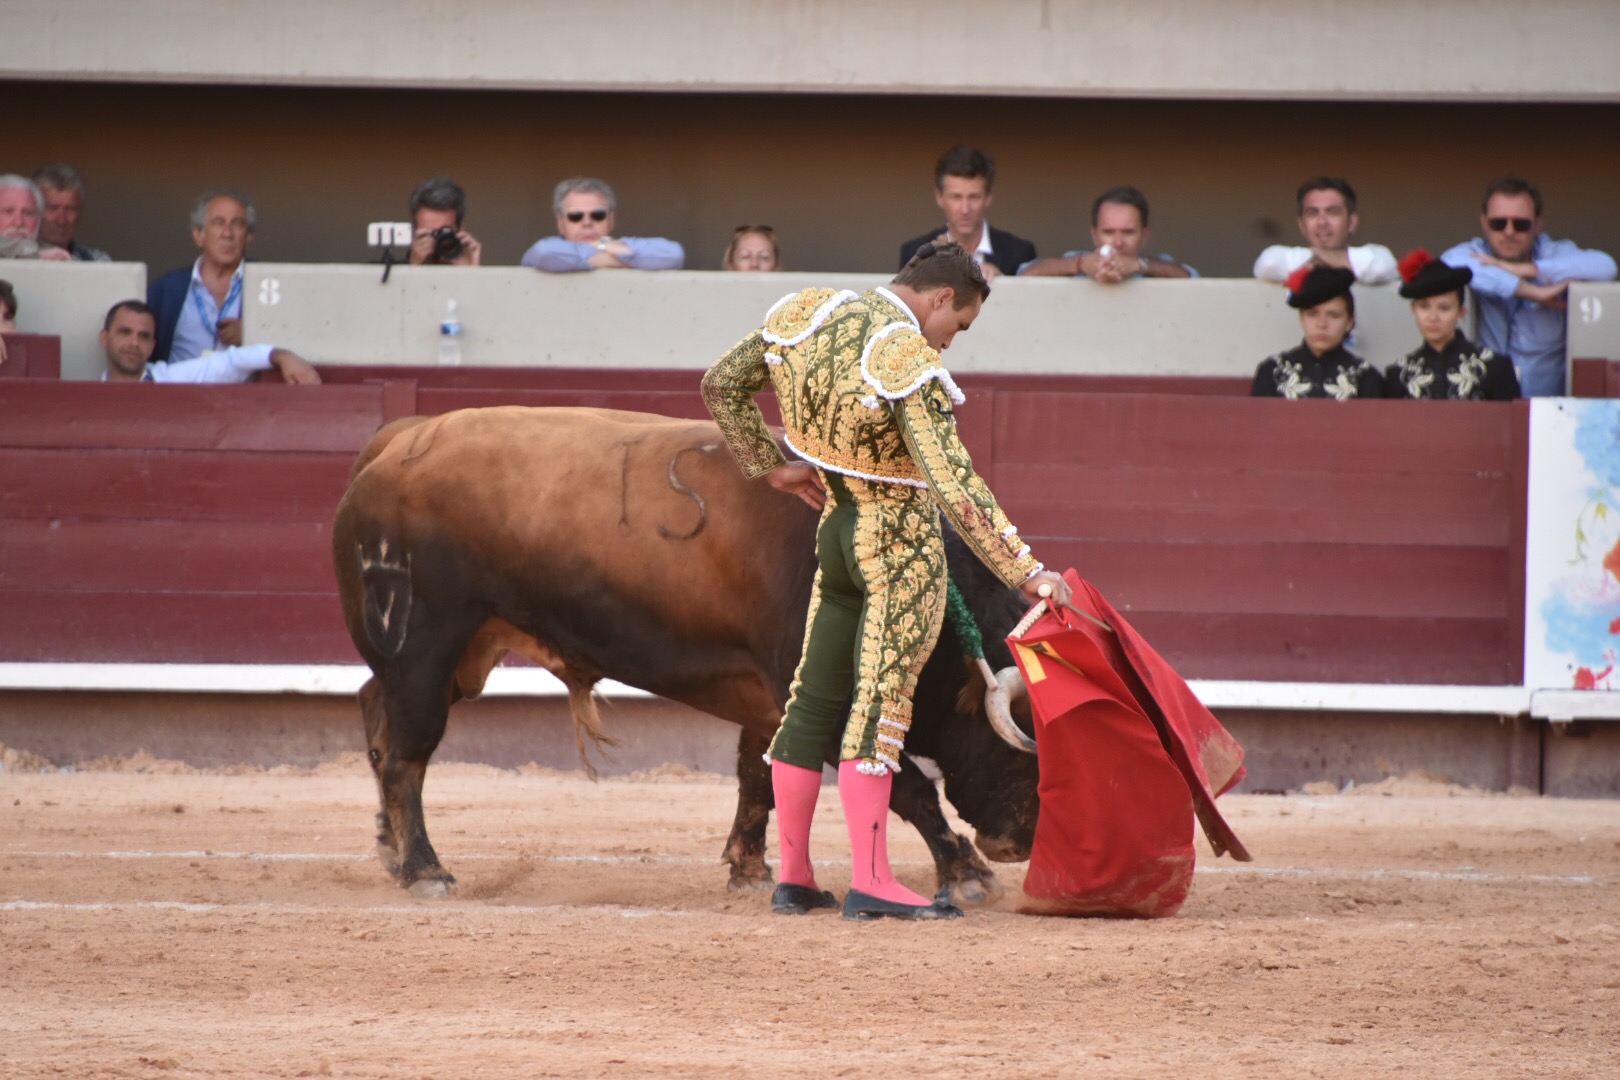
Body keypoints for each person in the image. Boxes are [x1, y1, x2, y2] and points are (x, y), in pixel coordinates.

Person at [702, 242, 1072, 922]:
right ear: (938, 299)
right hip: (896, 541)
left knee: (810, 702)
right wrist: (1026, 571)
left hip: (836, 532)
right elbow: (954, 483)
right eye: (956, 326)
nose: (950, 342)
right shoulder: (905, 357)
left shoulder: (810, 313)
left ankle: (796, 876)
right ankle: (873, 880)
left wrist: (771, 464)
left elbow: (721, 383)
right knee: (880, 707)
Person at [1441, 177, 1617, 397]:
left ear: (1537, 225)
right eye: (1498, 223)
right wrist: (1532, 291)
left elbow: (1606, 266)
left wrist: (1529, 270)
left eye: (1521, 224)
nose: (1509, 232)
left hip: (1550, 410)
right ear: (1484, 223)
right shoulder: (1476, 253)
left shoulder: (1552, 253)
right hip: (1489, 407)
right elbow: (1449, 263)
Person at [145, 190, 318, 380]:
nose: (227, 234)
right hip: (179, 398)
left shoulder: (271, 284)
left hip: (247, 401)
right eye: (218, 223)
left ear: (249, 237)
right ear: (198, 235)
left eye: (237, 224)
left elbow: (304, 338)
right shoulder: (167, 289)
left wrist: (254, 333)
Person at [1384, 250, 1518, 401]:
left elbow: (1510, 422)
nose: (1433, 317)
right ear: (1413, 309)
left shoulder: (1495, 367)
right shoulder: (1398, 374)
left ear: (1461, 312)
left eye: (1444, 307)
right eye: (1424, 306)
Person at [897, 145, 1036, 280]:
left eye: (974, 197)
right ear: (940, 198)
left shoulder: (1019, 252)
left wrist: (1002, 281)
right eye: (956, 197)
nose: (965, 209)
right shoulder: (915, 253)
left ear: (988, 197)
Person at [99, 299, 318, 384]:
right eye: (125, 332)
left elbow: (230, 362)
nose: (134, 343)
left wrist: (280, 355)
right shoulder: (87, 397)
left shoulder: (169, 379)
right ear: (104, 338)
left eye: (144, 336)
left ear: (152, 347)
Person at [1251, 265, 1382, 399]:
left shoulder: (1366, 376)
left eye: (1334, 315)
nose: (1321, 324)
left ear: (1349, 322)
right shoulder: (1272, 371)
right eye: (1312, 314)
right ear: (1301, 318)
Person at [1018, 186, 1194, 281]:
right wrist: (1080, 264)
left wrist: (1140, 265)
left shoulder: (1156, 266)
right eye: (1108, 232)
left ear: (1145, 236)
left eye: (1128, 232)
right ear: (1094, 235)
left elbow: (1191, 278)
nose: (1118, 242)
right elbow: (1024, 274)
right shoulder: (1078, 261)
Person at [520, 178, 684, 273]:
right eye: (575, 216)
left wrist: (603, 245)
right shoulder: (553, 246)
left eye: (597, 215)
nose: (587, 222)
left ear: (611, 220)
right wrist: (613, 259)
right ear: (560, 223)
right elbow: (544, 254)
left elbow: (673, 255)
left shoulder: (621, 246)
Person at [1253, 177, 1396, 285]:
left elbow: (1381, 269)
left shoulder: (1369, 255)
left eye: (1333, 212)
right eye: (1313, 213)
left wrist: (1319, 258)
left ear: (1352, 222)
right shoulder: (1293, 255)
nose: (1322, 222)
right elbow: (1268, 264)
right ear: (1302, 225)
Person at [34, 162, 111, 263]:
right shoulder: (13, 259)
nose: (61, 219)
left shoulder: (96, 262)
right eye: (52, 208)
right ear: (34, 210)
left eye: (70, 209)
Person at [406, 176, 482, 267]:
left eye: (444, 233)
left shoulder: (469, 270)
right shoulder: (391, 275)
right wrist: (413, 266)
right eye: (430, 234)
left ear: (461, 231)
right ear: (413, 232)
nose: (438, 241)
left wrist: (472, 273)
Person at [0, 175, 70, 261]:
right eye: (8, 212)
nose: (19, 222)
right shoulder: (38, 252)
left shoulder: (51, 254)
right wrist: (32, 252)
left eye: (28, 213)